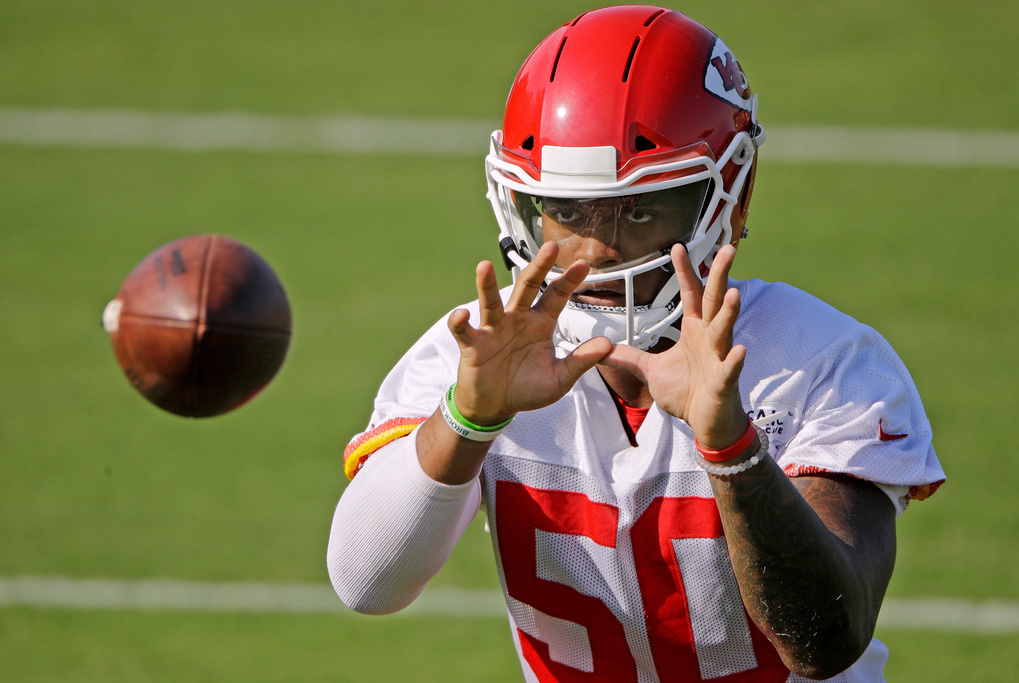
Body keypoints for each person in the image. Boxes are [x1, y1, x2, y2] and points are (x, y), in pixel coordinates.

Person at [327, 6, 945, 682]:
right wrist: (468, 419)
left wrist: (732, 447)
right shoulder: (476, 353)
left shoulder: (818, 359)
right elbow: (366, 581)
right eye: (565, 212)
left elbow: (827, 638)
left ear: (729, 198)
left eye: (641, 211)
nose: (595, 253)